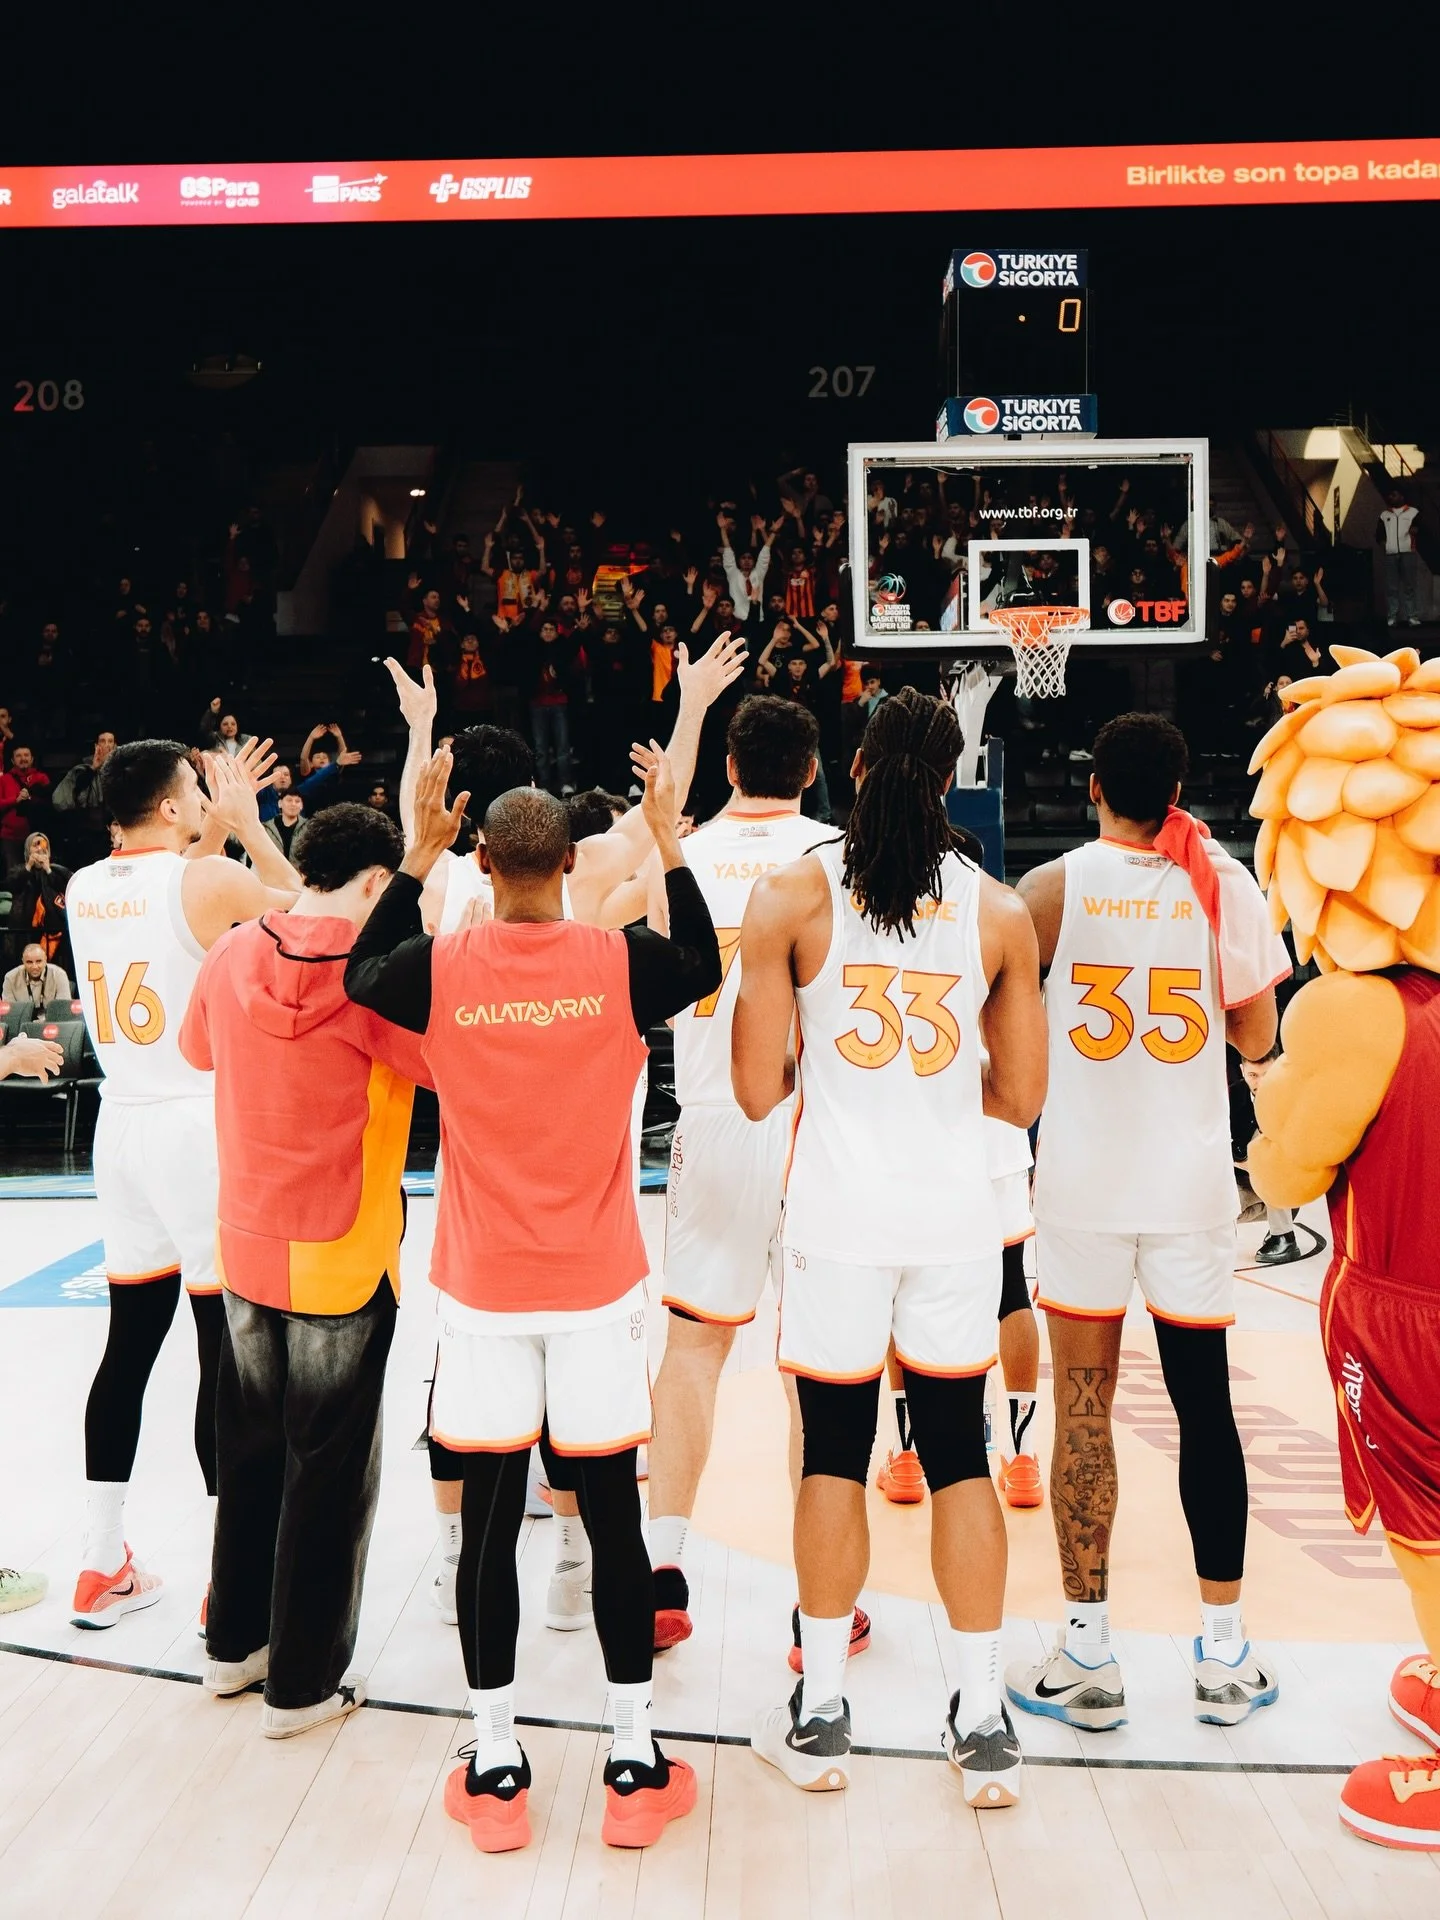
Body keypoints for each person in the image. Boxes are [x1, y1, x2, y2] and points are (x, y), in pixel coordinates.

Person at [345, 743, 719, 1853]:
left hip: (484, 1290)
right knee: (609, 1522)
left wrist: (414, 860)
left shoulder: (442, 965)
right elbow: (699, 959)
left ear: (487, 859)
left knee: (492, 1525)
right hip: (596, 1287)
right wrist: (669, 837)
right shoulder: (618, 960)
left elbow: (362, 976)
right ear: (566, 862)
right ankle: (635, 1753)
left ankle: (497, 1754)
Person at [389, 637, 744, 1633]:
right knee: (589, 1401)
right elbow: (652, 822)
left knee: (465, 1388)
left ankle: (460, 1557)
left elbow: (390, 909)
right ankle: (579, 1557)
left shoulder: (443, 892)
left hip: (481, 1180)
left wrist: (421, 730)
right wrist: (693, 704)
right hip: (586, 1176)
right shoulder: (582, 891)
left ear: (464, 816)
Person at [732, 688, 1047, 1806]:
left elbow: (753, 1088)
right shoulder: (998, 912)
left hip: (838, 1220)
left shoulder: (791, 897)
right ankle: (984, 1719)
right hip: (955, 1219)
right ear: (954, 777)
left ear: (851, 770)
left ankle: (820, 1717)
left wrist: (833, 1074)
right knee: (960, 1453)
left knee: (832, 1448)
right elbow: (1021, 1098)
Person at [1008, 712, 1290, 1733]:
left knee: (1083, 1407)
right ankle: (1223, 1657)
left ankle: (1088, 1656)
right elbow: (1258, 1031)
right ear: (1175, 791)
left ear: (1092, 787)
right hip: (1188, 1191)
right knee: (1204, 1411)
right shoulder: (1231, 885)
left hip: (1082, 1182)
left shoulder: (1050, 891)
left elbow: (999, 1015)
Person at [179, 804, 430, 1737]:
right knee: (328, 1471)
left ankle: (232, 1648)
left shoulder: (234, 949)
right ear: (376, 883)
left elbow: (194, 1050)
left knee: (246, 1450)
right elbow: (442, 1067)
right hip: (343, 1247)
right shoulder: (376, 979)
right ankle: (304, 1685)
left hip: (245, 1237)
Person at [64, 736, 302, 1626]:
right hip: (193, 1126)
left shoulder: (84, 885)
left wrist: (213, 829)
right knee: (222, 1349)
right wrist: (248, 822)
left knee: (128, 1344)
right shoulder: (206, 881)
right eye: (195, 793)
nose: (205, 803)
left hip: (117, 1125)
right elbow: (316, 912)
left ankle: (98, 1561)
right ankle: (227, 1579)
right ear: (170, 807)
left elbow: (172, 889)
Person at [646, 695, 851, 1656]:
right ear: (813, 770)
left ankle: (662, 1564)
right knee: (818, 1367)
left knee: (692, 1350)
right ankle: (824, 1610)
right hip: (812, 1124)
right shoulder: (837, 858)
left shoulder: (674, 856)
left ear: (728, 767)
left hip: (714, 1119)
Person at [6, 832, 71, 973]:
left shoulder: (57, 871)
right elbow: (12, 884)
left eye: (43, 845)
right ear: (28, 849)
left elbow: (66, 888)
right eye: (35, 845)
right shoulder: (19, 870)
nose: (39, 849)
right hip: (24, 932)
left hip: (52, 934)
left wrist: (48, 869)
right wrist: (29, 865)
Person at [51, 730, 118, 867]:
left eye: (110, 741)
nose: (107, 745)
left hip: (114, 832)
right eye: (102, 741)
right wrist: (94, 768)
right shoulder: (82, 768)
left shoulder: (121, 769)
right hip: (87, 832)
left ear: (115, 745)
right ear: (96, 745)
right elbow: (73, 794)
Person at [0, 744, 50, 881]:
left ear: (32, 759)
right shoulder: (4, 780)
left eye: (26, 755)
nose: (23, 759)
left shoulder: (41, 778)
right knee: (14, 876)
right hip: (10, 837)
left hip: (36, 837)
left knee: (38, 875)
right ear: (12, 761)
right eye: (19, 756)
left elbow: (50, 804)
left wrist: (31, 797)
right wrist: (15, 800)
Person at [1378, 486, 1422, 627]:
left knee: (1409, 586)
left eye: (1394, 495)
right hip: (1391, 554)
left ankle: (1412, 616)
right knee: (1392, 587)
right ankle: (1392, 617)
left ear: (1402, 496)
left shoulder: (1413, 512)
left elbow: (1419, 529)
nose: (1391, 497)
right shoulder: (1384, 515)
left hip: (1408, 552)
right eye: (1390, 495)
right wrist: (1385, 545)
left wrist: (1414, 532)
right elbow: (1379, 534)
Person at [2, 941, 69, 1011]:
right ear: (23, 961)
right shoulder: (10, 978)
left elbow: (63, 1010)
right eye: (29, 962)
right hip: (21, 1021)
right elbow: (10, 1013)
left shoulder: (59, 974)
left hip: (52, 1020)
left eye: (39, 961)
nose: (34, 967)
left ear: (45, 960)